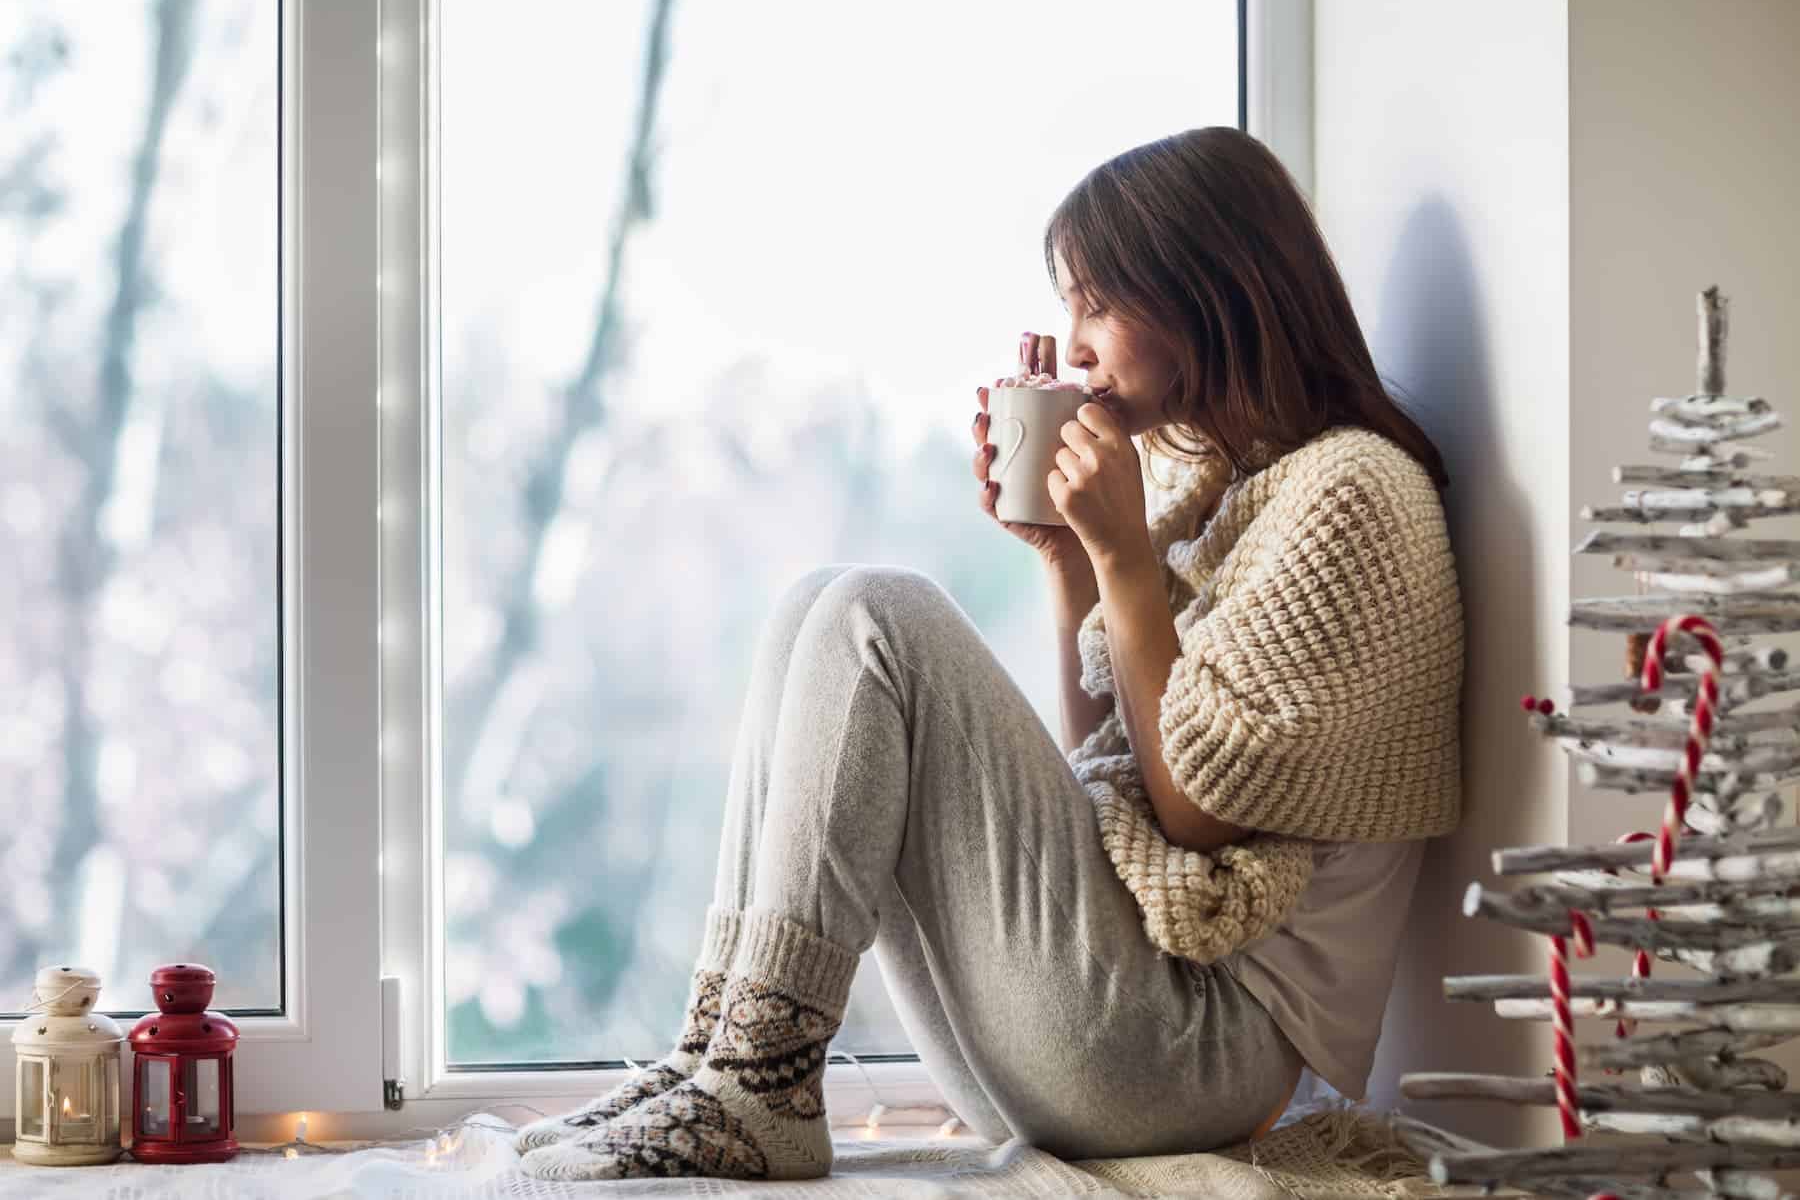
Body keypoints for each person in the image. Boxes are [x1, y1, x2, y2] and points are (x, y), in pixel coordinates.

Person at [516, 126, 1464, 1183]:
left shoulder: (1354, 495)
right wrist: (1071, 562)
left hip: (1204, 1052)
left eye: (1099, 303)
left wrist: (1125, 558)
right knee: (809, 610)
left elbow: (1199, 813)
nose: (1079, 343)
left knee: (882, 612)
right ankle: (724, 1053)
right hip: (1120, 1042)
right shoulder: (1230, 499)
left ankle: (759, 1083)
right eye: (1071, 308)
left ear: (1212, 290)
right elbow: (1119, 772)